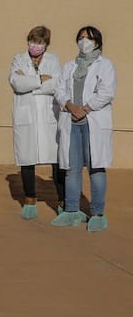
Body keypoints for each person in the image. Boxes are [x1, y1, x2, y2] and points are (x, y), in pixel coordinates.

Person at [52, 26, 116, 232]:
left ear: (97, 42)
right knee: (72, 168)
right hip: (71, 121)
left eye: (88, 38)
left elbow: (106, 92)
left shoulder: (105, 65)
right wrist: (70, 106)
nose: (84, 41)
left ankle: (97, 213)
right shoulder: (70, 65)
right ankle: (72, 210)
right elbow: (59, 89)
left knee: (96, 167)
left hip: (92, 122)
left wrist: (85, 109)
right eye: (80, 38)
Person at [8, 26, 64, 219]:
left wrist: (30, 82)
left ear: (46, 44)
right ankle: (30, 199)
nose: (35, 45)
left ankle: (62, 201)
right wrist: (41, 79)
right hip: (27, 117)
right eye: (32, 41)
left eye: (40, 42)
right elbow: (16, 83)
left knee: (57, 160)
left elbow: (57, 84)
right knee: (27, 158)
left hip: (49, 117)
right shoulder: (19, 59)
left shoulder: (53, 60)